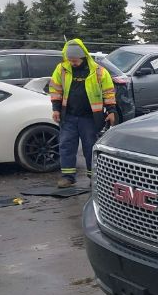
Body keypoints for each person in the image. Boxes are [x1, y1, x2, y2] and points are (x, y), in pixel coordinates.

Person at [49, 39, 116, 188]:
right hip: (69, 116)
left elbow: (108, 92)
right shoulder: (61, 69)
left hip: (90, 117)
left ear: (83, 57)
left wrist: (111, 110)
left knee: (90, 147)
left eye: (75, 60)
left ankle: (94, 178)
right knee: (66, 145)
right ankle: (68, 177)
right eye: (70, 59)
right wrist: (56, 109)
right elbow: (55, 89)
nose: (72, 62)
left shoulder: (98, 71)